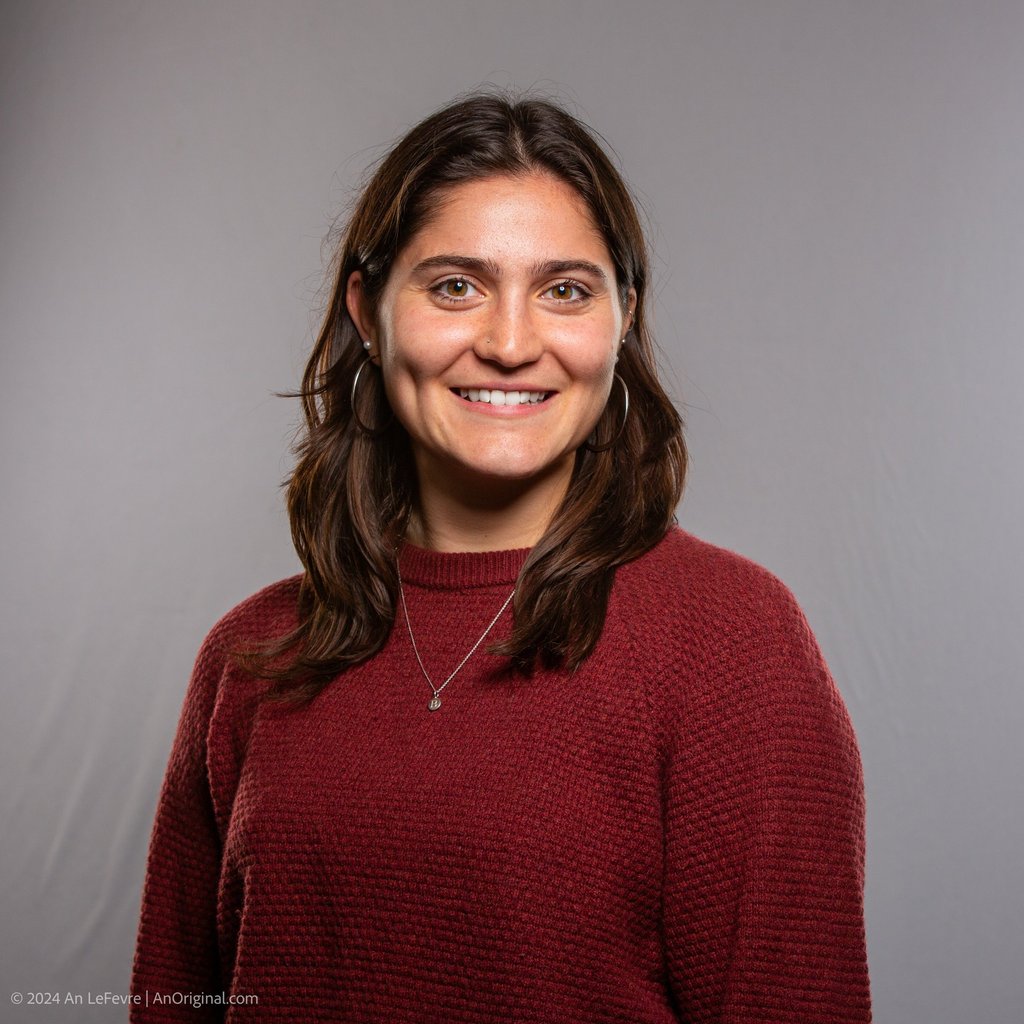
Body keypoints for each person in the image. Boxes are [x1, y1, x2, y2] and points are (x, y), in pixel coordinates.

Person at [130, 93, 872, 1022]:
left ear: (621, 317)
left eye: (565, 290)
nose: (511, 344)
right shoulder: (249, 657)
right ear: (368, 309)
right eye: (455, 286)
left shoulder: (733, 643)